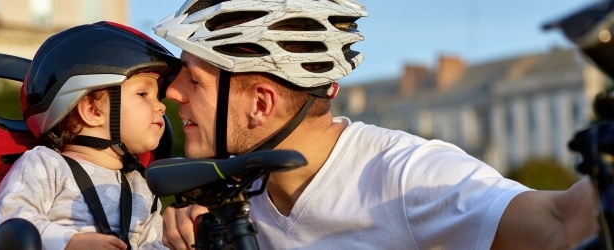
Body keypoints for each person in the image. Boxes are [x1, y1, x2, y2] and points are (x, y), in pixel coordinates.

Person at [153, 0, 598, 249]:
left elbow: (561, 223)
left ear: (261, 103)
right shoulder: (229, 196)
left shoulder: (403, 176)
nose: (173, 94)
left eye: (194, 79)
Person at [0, 21, 180, 250]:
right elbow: (11, 222)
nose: (160, 107)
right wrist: (69, 243)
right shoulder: (45, 165)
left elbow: (153, 244)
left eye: (157, 98)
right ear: (92, 111)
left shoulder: (142, 187)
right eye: (143, 94)